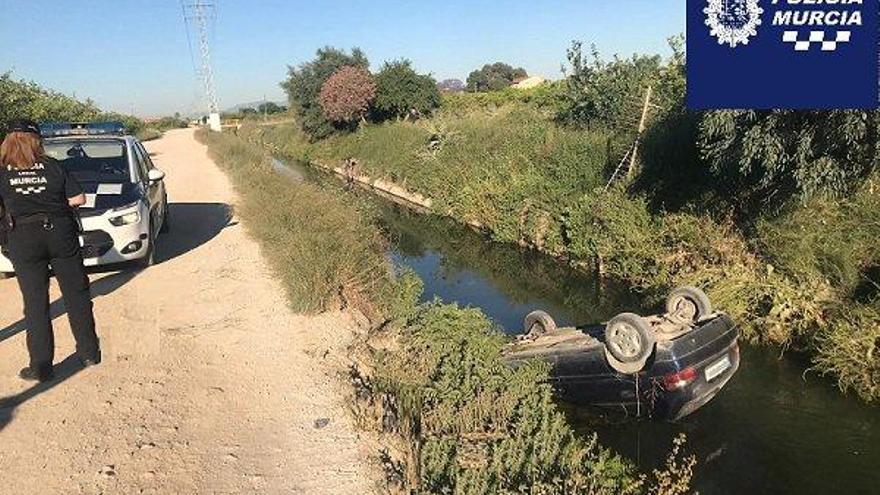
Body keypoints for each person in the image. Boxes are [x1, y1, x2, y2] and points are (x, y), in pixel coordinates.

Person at [0, 119, 100, 382]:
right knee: (76, 294)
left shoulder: (1, 171)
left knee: (35, 304)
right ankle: (89, 353)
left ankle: (41, 366)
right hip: (60, 233)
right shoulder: (54, 166)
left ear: (8, 141)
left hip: (22, 238)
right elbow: (78, 199)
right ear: (36, 140)